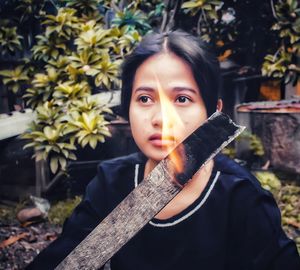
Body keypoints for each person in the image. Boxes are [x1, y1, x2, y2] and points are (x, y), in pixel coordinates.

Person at [26, 30, 300, 270]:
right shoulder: (111, 182)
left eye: (182, 99)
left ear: (214, 111)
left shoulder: (241, 197)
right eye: (144, 98)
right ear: (127, 109)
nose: (161, 118)